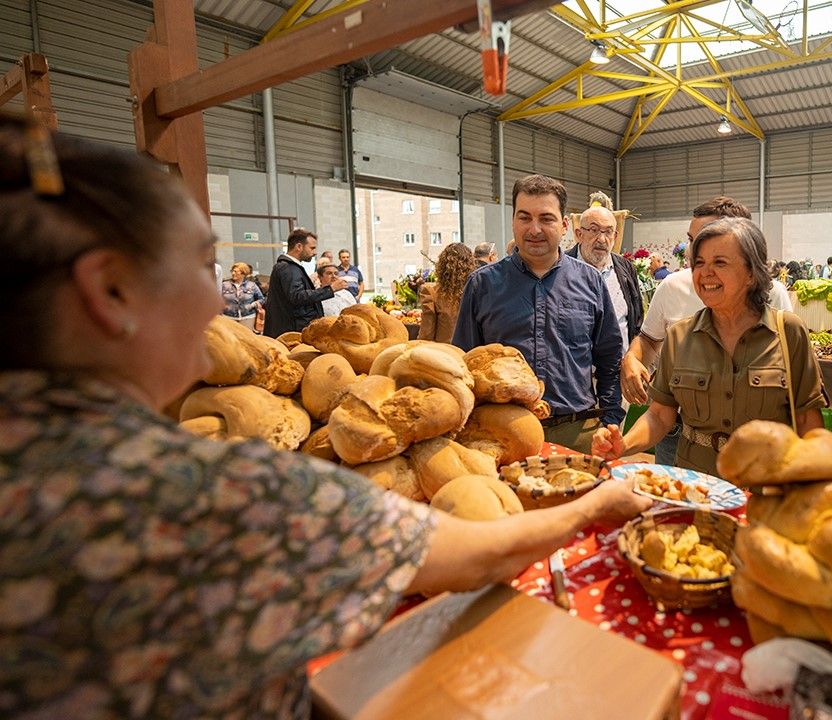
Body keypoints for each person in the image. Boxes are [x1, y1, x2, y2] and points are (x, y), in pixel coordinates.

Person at [0, 117, 651, 717]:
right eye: (203, 265)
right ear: (110, 291)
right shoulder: (215, 492)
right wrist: (594, 508)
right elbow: (471, 555)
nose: (221, 302)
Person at [594, 217, 825, 475]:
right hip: (697, 484)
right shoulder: (679, 336)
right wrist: (624, 444)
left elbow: (807, 419)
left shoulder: (788, 332)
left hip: (767, 484)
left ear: (751, 273)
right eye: (699, 263)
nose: (705, 273)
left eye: (720, 263)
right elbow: (660, 415)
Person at [453, 175, 624, 453]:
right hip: (501, 435)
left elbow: (610, 358)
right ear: (513, 221)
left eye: (546, 218)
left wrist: (610, 418)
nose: (534, 229)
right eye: (524, 218)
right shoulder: (482, 285)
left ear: (565, 224)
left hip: (577, 432)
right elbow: (463, 362)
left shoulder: (591, 282)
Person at [619, 196, 793, 465]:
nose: (692, 252)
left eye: (705, 239)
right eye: (691, 240)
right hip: (677, 430)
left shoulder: (773, 294)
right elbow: (649, 338)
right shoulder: (672, 286)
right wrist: (631, 358)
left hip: (751, 440)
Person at [567, 205, 643, 344]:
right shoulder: (561, 268)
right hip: (576, 365)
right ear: (579, 234)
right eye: (594, 230)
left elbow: (637, 320)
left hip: (620, 363)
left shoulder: (625, 268)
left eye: (608, 232)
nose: (602, 239)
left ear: (615, 236)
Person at [263, 228, 346, 337]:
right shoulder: (287, 268)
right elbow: (297, 296)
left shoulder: (290, 267)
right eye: (312, 248)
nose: (315, 252)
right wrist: (331, 289)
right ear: (299, 247)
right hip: (290, 332)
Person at [419, 242, 478, 342]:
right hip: (471, 352)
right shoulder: (477, 291)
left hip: (444, 353)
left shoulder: (431, 292)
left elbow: (427, 333)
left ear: (441, 266)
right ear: (470, 266)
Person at [221, 261, 264, 330]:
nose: (233, 273)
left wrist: (253, 305)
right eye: (232, 271)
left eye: (236, 272)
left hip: (247, 317)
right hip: (228, 317)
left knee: (246, 338)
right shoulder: (224, 285)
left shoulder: (252, 285)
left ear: (243, 273)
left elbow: (261, 299)